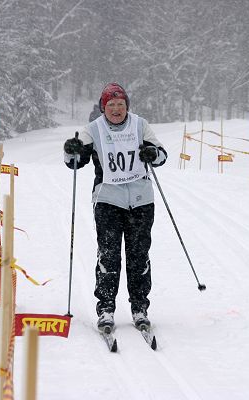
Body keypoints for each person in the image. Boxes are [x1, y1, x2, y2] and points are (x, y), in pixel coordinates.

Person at [63, 83, 167, 332]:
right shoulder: (93, 129)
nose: (117, 109)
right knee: (108, 256)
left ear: (127, 106)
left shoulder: (140, 125)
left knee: (138, 256)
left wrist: (151, 153)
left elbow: (162, 155)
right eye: (111, 105)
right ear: (103, 107)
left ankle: (139, 306)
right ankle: (106, 308)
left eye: (121, 104)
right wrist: (71, 151)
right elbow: (76, 163)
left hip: (141, 200)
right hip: (108, 201)